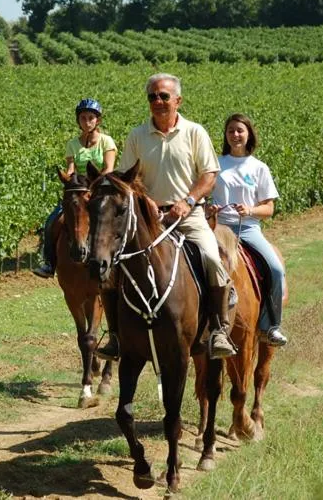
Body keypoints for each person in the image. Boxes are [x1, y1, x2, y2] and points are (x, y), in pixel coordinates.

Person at [96, 73, 237, 361]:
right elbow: (125, 179)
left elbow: (209, 175)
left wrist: (187, 201)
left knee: (211, 257)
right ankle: (115, 336)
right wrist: (146, 202)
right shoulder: (137, 135)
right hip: (149, 217)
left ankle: (219, 329)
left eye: (164, 96)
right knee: (113, 266)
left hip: (188, 214)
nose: (158, 102)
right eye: (152, 97)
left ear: (178, 100)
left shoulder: (195, 132)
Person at [209, 114, 288, 347]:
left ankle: (270, 326)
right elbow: (203, 194)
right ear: (225, 135)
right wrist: (209, 207)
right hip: (218, 227)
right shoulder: (215, 164)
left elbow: (269, 208)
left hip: (248, 228)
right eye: (231, 131)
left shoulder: (259, 167)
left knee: (275, 269)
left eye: (240, 131)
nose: (235, 135)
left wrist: (251, 209)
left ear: (249, 134)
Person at [32, 98, 117, 278]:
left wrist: (93, 185)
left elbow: (108, 169)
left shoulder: (106, 142)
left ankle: (120, 261)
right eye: (83, 118)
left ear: (98, 120)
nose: (87, 122)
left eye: (91, 118)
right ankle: (49, 262)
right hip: (78, 191)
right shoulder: (72, 144)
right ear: (78, 121)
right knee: (52, 221)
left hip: (99, 190)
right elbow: (71, 168)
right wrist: (67, 176)